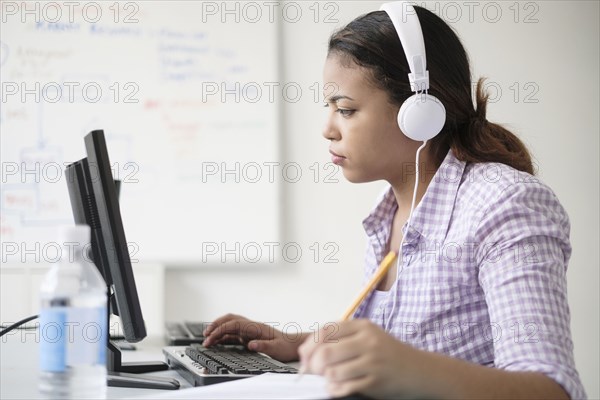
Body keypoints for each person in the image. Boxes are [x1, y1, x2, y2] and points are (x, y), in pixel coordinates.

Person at [202, 3, 586, 399]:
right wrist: (297, 343)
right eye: (329, 107)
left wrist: (408, 366)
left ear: (419, 112)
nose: (328, 129)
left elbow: (551, 390)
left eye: (346, 109)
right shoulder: (388, 212)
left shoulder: (505, 204)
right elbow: (400, 342)